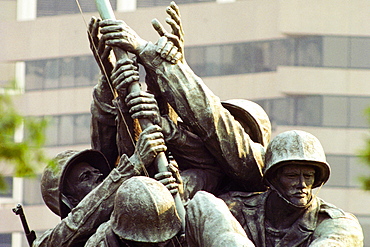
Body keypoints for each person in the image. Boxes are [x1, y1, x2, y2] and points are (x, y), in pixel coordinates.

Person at [92, 1, 271, 197]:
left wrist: (163, 63)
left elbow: (213, 122)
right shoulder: (192, 171)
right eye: (232, 125)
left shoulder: (256, 170)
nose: (227, 137)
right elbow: (124, 165)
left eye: (241, 131)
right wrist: (119, 85)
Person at [219, 130, 364, 246]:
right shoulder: (236, 207)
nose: (302, 184)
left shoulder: (334, 221)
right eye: (292, 176)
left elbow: (337, 239)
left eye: (308, 176)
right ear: (273, 178)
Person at [34, 123, 168, 246]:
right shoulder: (53, 240)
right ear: (71, 200)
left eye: (96, 171)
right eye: (86, 177)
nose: (98, 176)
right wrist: (134, 164)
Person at [85, 176, 183, 247]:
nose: (160, 245)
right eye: (150, 243)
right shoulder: (100, 243)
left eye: (164, 241)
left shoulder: (171, 226)